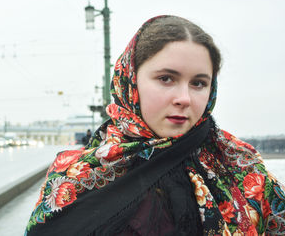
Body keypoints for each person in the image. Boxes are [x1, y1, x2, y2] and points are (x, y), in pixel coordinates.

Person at [25, 15, 285, 235]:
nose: (184, 98)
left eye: (198, 83)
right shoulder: (75, 175)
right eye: (166, 78)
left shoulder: (244, 168)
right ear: (130, 80)